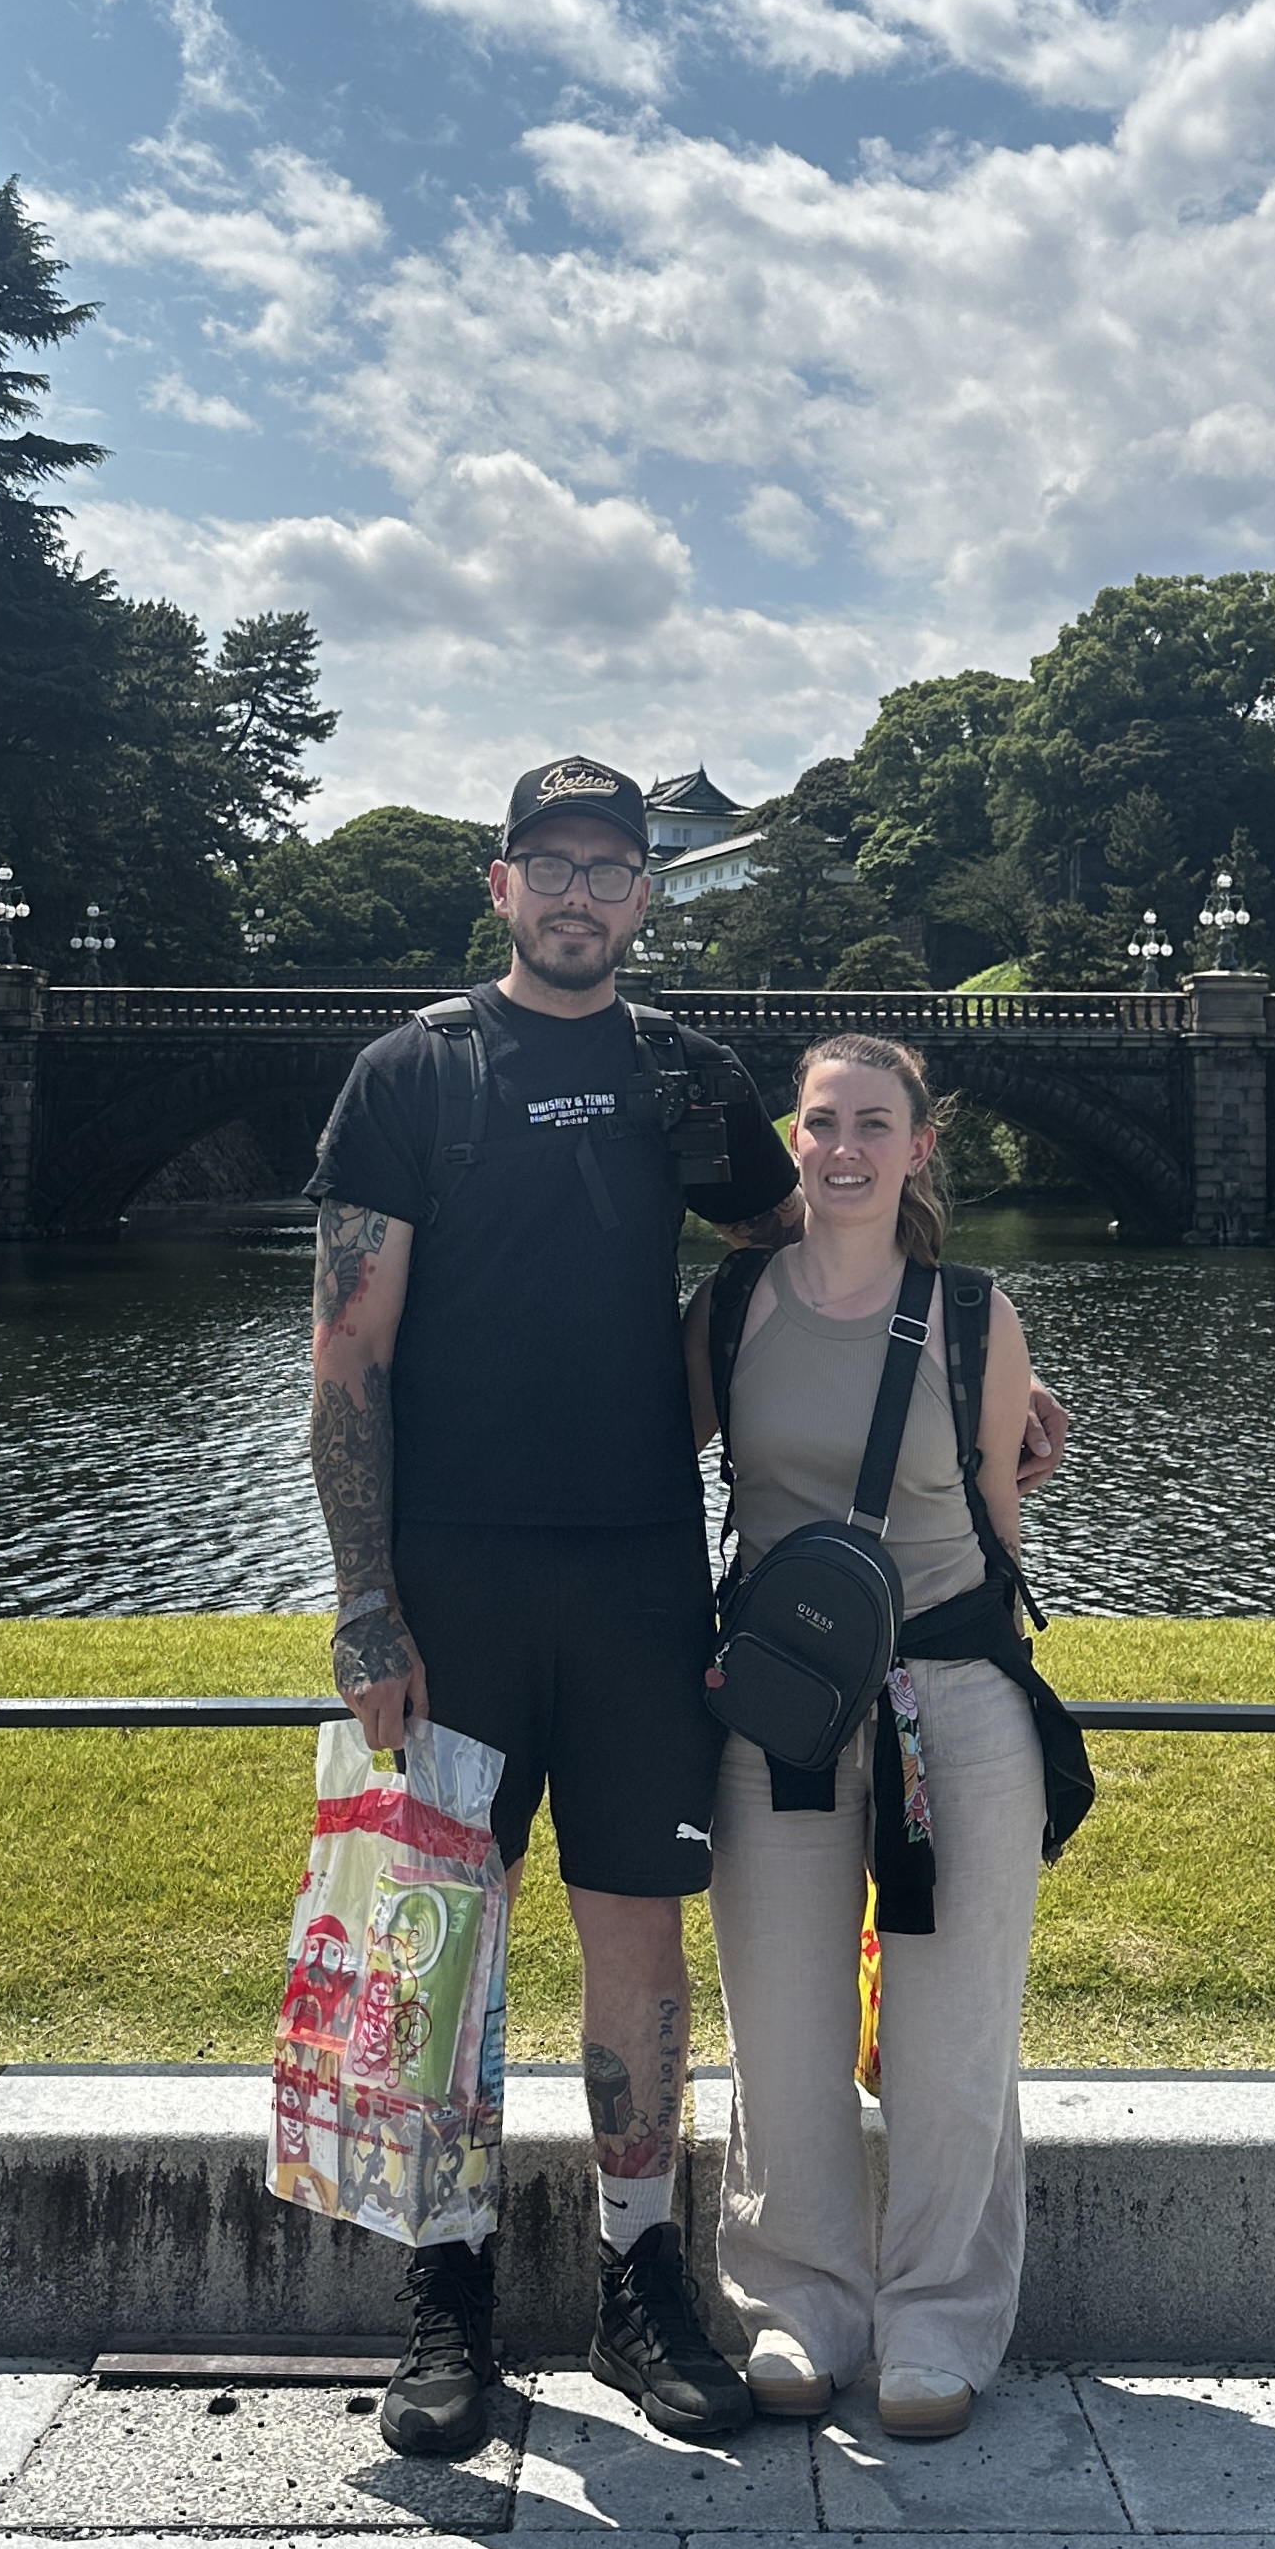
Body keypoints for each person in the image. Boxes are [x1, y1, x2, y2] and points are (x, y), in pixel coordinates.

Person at [305, 756, 803, 2461]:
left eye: (614, 865)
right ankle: (442, 2283)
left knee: (636, 1932)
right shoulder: (414, 1074)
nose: (584, 891)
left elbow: (817, 1250)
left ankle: (635, 2273)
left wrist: (977, 1380)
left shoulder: (687, 1076)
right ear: (500, 881)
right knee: (434, 1930)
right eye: (553, 862)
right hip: (452, 1569)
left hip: (639, 1567)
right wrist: (367, 1603)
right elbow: (346, 1357)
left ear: (649, 894)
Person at [687, 1034, 1046, 2446]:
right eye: (821, 1121)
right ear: (793, 1137)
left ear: (919, 1145)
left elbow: (1007, 1545)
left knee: (955, 2030)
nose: (843, 1146)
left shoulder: (973, 1313)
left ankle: (942, 2315)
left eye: (872, 1122)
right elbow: (640, 1461)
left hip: (948, 1703)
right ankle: (801, 2298)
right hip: (777, 1709)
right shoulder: (732, 1308)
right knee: (781, 2027)